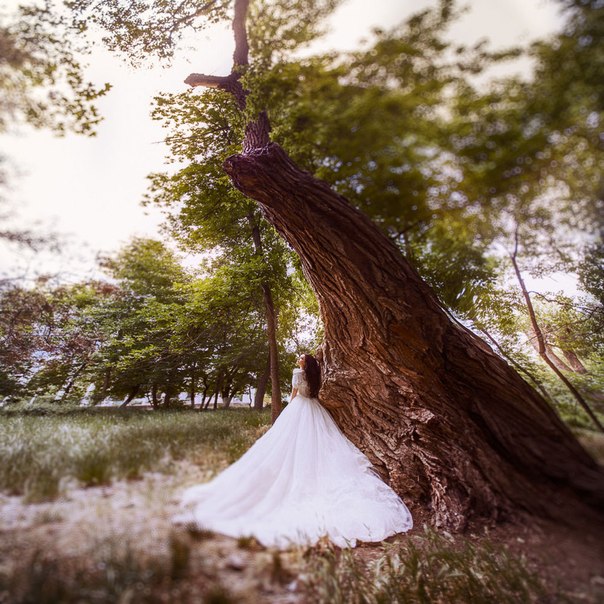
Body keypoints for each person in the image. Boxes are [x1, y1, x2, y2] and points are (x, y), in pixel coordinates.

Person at [172, 353, 413, 549]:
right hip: (315, 408)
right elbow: (312, 393)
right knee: (319, 443)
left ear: (303, 363)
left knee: (288, 442)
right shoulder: (316, 376)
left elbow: (294, 394)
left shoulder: (298, 373)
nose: (298, 360)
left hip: (299, 408)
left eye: (300, 358)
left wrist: (288, 408)